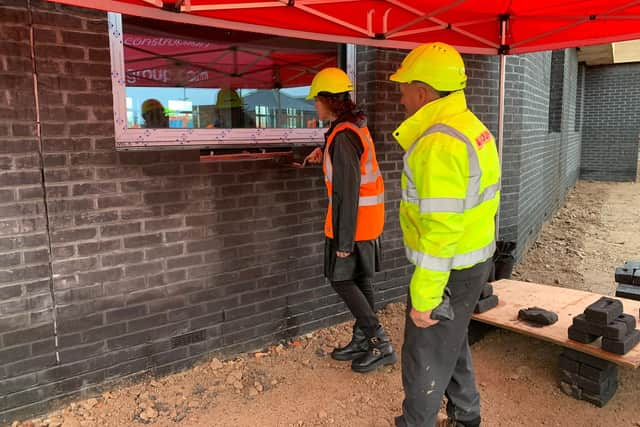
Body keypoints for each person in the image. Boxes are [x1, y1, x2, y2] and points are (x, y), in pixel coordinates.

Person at [388, 42, 501, 427]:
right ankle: (466, 414)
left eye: (404, 88)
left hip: (448, 266)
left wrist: (424, 298)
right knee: (450, 340)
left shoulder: (438, 143)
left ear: (423, 92)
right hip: (473, 259)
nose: (400, 97)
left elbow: (440, 229)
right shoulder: (472, 127)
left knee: (424, 353)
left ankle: (415, 423)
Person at [305, 67, 396, 373]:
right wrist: (324, 151)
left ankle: (379, 342)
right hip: (366, 220)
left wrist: (343, 242)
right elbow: (347, 164)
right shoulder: (349, 128)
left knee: (340, 278)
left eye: (317, 100)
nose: (314, 105)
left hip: (353, 224)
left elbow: (346, 192)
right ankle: (363, 338)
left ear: (329, 100)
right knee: (359, 280)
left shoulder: (344, 137)